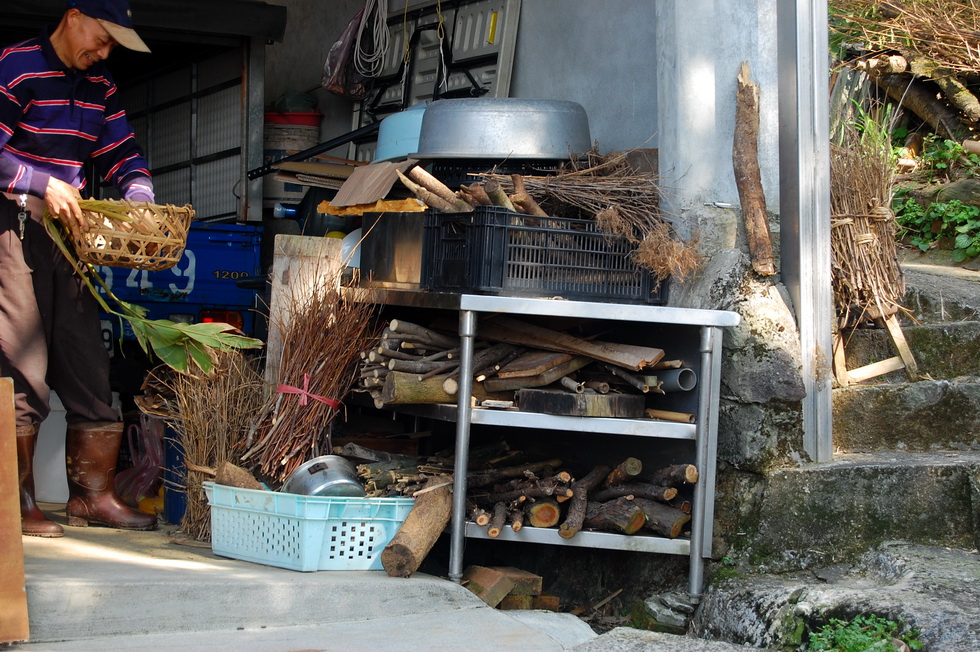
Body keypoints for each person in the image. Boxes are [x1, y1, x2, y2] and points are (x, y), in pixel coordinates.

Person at [1, 0, 158, 537]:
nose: (104, 51)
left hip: (70, 237)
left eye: (113, 44)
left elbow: (124, 155)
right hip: (13, 228)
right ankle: (17, 502)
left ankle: (93, 497)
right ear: (73, 17)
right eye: (102, 37)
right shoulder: (16, 66)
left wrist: (139, 194)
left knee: (88, 360)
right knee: (24, 363)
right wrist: (42, 182)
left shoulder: (101, 87)